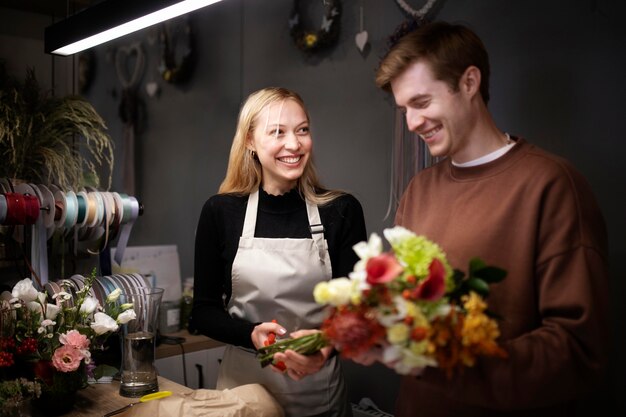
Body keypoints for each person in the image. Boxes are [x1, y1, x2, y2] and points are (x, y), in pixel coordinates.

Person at [370, 21, 610, 417]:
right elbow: (401, 310)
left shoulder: (552, 185)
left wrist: (452, 364)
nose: (411, 123)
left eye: (422, 103)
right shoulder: (419, 190)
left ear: (469, 83)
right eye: (404, 110)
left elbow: (578, 348)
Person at [191, 87, 366, 417]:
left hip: (317, 393)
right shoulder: (221, 211)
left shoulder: (341, 211)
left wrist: (326, 344)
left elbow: (356, 312)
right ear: (250, 142)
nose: (294, 144)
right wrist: (250, 334)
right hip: (242, 395)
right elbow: (202, 312)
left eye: (302, 130)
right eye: (278, 132)